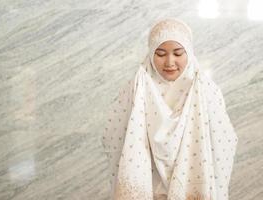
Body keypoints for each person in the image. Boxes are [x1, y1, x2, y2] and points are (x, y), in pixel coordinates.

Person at [102, 18, 238, 200]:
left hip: (193, 181)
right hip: (149, 187)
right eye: (160, 53)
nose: (169, 62)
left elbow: (224, 139)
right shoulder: (136, 87)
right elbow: (114, 136)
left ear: (189, 52)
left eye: (178, 53)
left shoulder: (205, 89)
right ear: (150, 53)